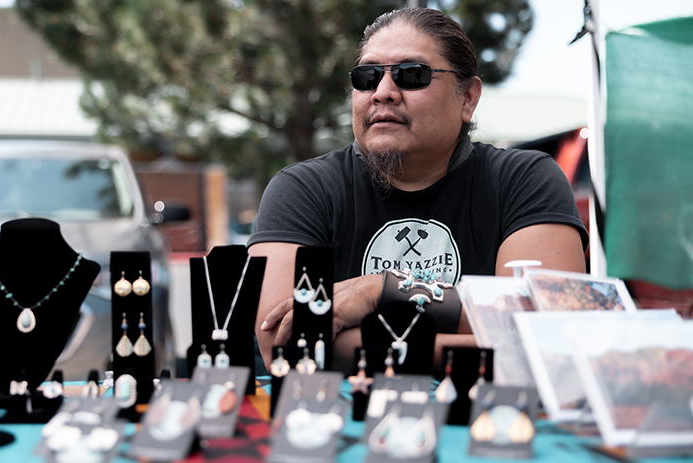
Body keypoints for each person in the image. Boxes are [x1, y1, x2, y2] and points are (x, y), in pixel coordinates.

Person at [249, 7, 588, 371]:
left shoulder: (524, 180)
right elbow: (283, 343)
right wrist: (483, 338)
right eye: (367, 76)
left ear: (468, 98)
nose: (383, 92)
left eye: (412, 74)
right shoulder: (301, 190)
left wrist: (384, 292)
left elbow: (547, 330)